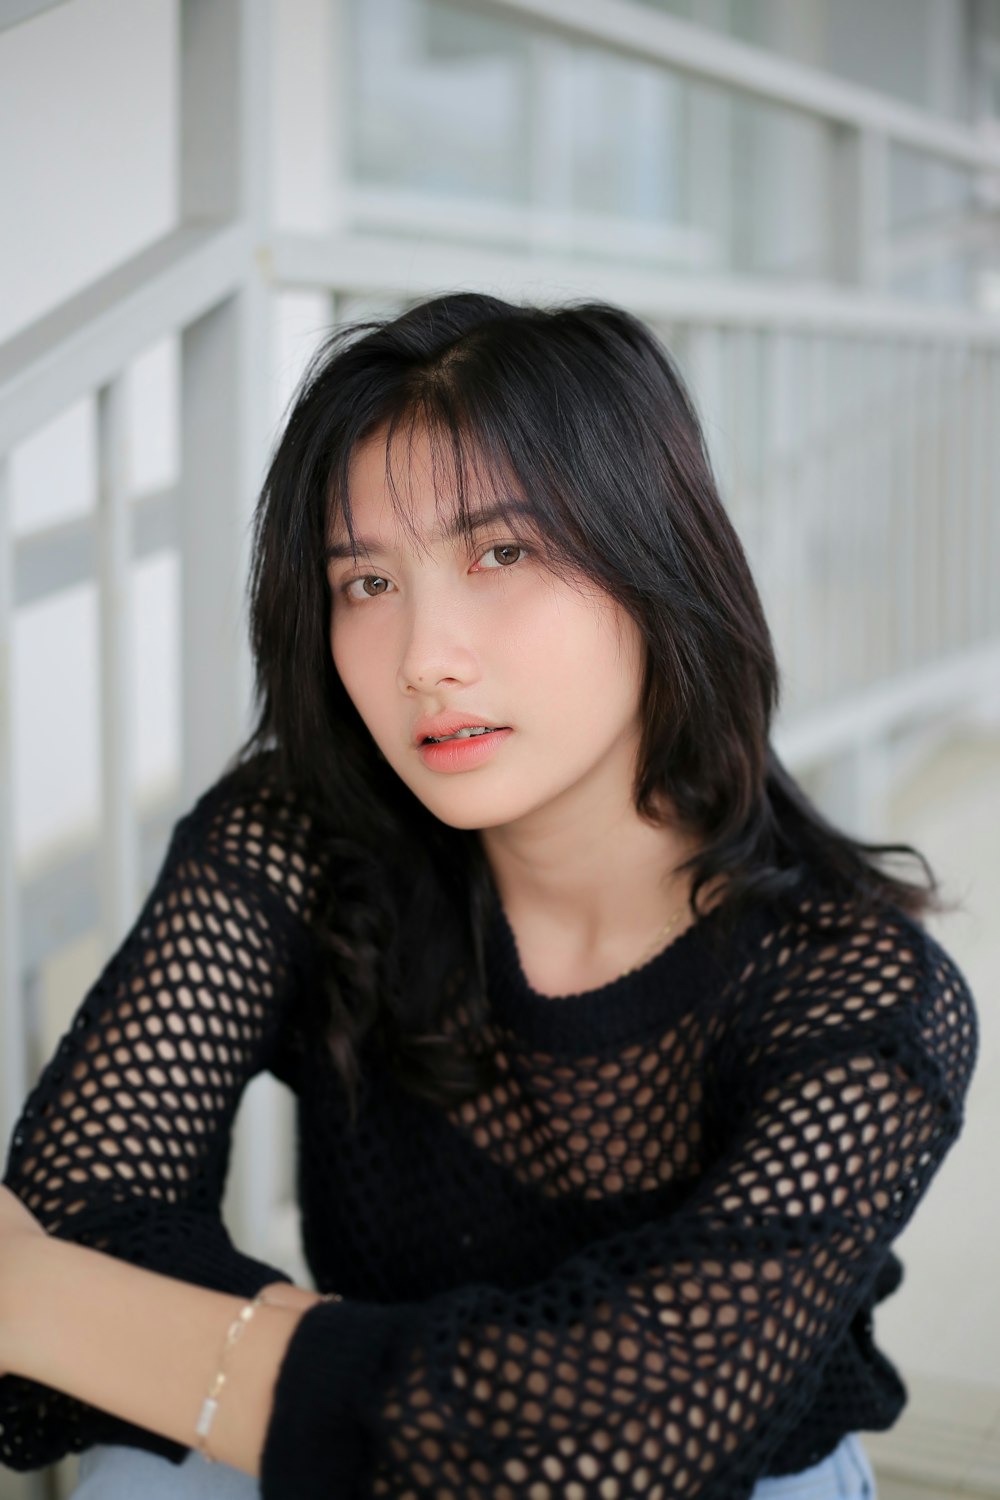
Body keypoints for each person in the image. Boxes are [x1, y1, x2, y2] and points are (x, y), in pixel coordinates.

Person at [0, 291, 978, 1500]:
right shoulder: (302, 842)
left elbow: (608, 1444)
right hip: (346, 1432)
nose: (423, 656)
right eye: (365, 583)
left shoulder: (860, 992)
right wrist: (418, 1397)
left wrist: (52, 1305)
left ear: (654, 556)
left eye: (501, 552)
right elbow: (84, 1203)